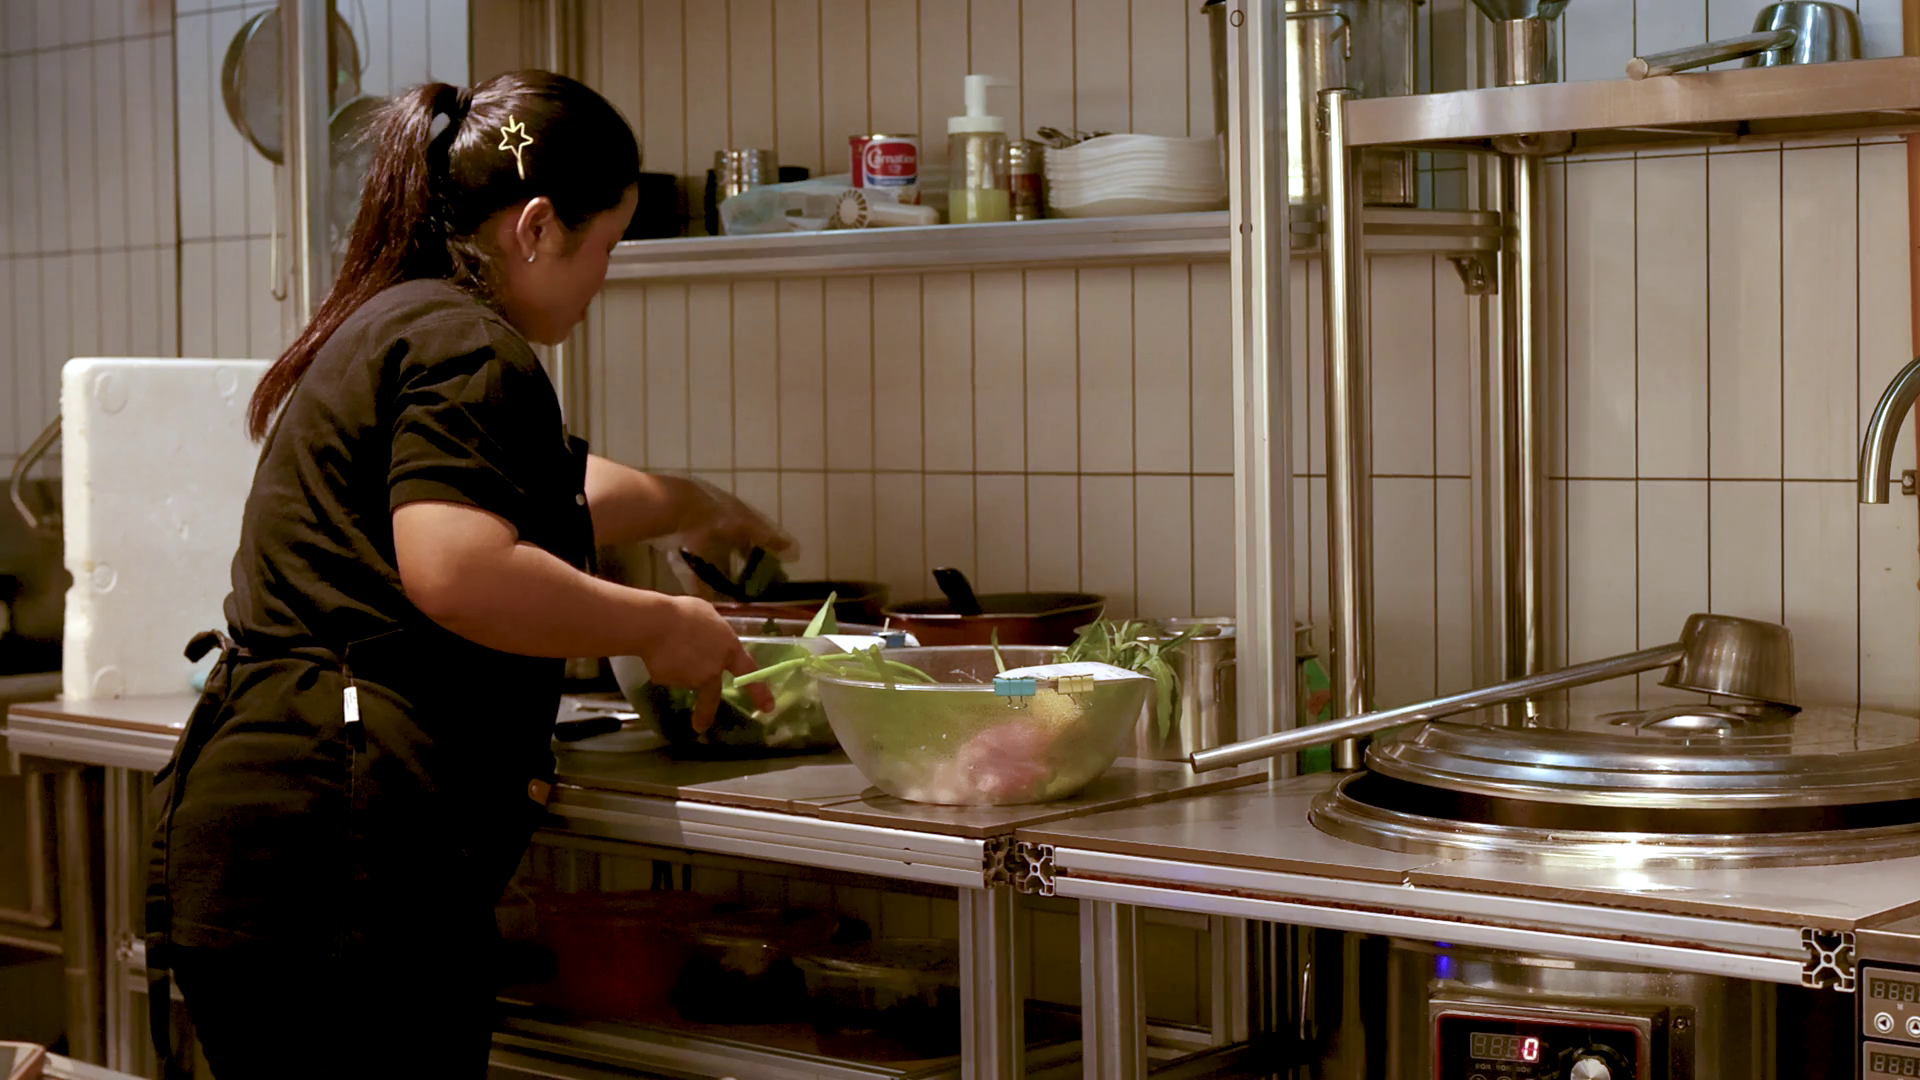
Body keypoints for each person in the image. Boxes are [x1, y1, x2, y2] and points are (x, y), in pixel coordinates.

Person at [144, 71, 790, 1078]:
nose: (604, 278)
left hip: (267, 833)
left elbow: (526, 495)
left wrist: (693, 502)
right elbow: (458, 568)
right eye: (606, 245)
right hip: (338, 849)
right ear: (537, 228)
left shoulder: (398, 319)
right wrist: (660, 624)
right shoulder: (471, 345)